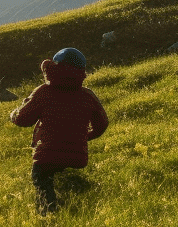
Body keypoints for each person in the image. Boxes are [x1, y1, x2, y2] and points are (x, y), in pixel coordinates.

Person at [9, 48, 109, 214]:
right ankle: (75, 210)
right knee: (73, 192)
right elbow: (102, 125)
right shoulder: (87, 96)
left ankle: (47, 216)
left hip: (47, 156)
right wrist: (83, 137)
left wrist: (13, 114)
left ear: (54, 68)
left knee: (42, 183)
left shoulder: (44, 92)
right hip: (78, 157)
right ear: (81, 71)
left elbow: (23, 120)